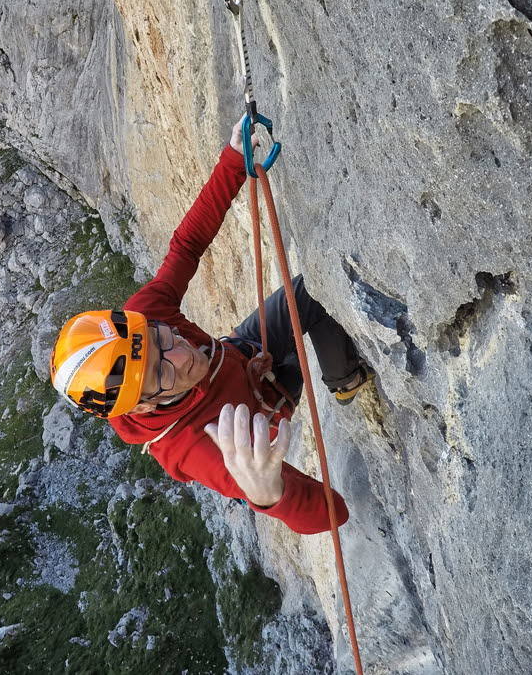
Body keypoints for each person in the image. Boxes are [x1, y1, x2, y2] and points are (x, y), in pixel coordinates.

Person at [49, 118, 374, 534]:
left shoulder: (143, 316)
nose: (184, 353)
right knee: (307, 310)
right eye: (163, 371)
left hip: (243, 353)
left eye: (163, 338)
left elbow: (186, 246)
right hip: (269, 403)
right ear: (145, 405)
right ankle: (341, 379)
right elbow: (334, 513)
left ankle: (343, 380)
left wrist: (234, 161)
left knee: (314, 291)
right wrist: (269, 494)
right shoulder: (192, 449)